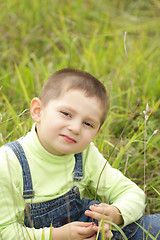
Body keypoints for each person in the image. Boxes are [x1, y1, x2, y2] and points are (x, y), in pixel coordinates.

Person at [0, 68, 159, 240]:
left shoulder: (84, 153)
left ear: (97, 132)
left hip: (88, 232)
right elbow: (5, 231)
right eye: (66, 114)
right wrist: (58, 235)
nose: (75, 128)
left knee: (154, 226)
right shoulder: (9, 162)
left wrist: (115, 215)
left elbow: (133, 194)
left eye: (88, 124)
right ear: (38, 111)